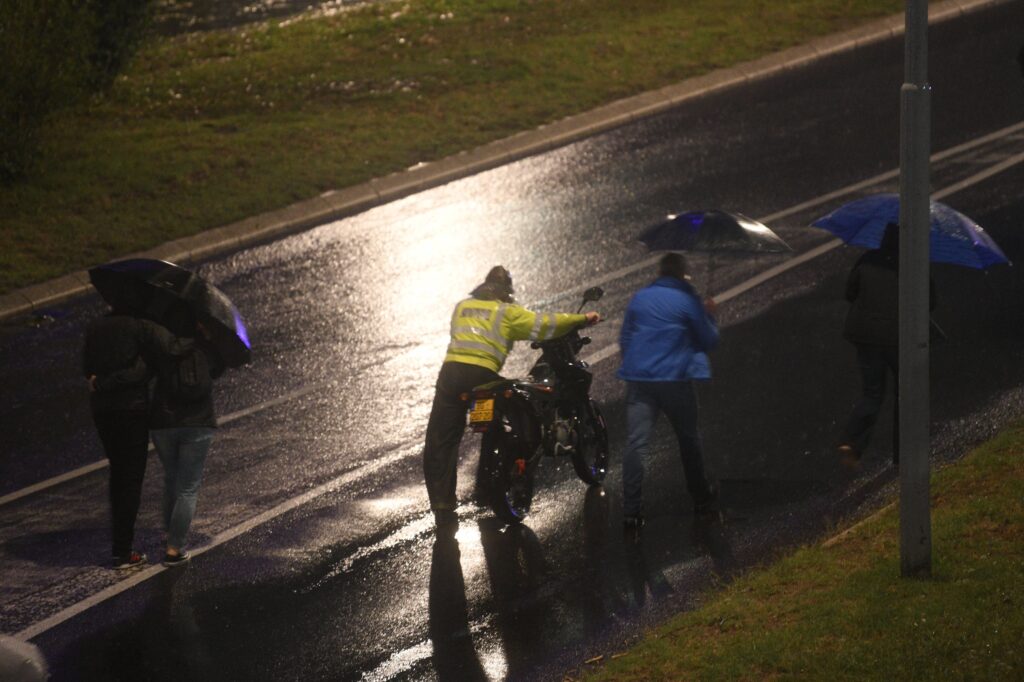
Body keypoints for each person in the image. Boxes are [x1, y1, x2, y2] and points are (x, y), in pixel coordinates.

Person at [422, 266, 601, 535]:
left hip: (451, 377)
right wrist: (582, 319)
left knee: (440, 441)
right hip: (483, 377)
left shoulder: (462, 307)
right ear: (506, 291)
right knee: (505, 420)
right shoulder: (506, 312)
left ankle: (443, 509)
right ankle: (489, 485)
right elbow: (545, 325)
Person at [617, 252, 719, 535]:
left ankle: (631, 511)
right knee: (688, 439)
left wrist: (639, 364)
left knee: (637, 443)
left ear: (661, 273)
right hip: (674, 380)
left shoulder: (640, 298)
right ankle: (701, 500)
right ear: (682, 274)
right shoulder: (688, 300)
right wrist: (710, 315)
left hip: (640, 381)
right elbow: (708, 340)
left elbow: (625, 339)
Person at [837, 222, 934, 471]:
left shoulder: (868, 259)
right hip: (896, 337)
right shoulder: (912, 264)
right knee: (906, 394)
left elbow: (850, 293)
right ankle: (903, 454)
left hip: (866, 335)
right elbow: (929, 301)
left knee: (872, 393)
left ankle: (852, 441)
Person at [83, 307, 168, 569]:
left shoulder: (94, 326)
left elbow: (87, 370)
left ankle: (120, 545)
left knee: (118, 472)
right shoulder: (140, 326)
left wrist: (100, 383)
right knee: (131, 478)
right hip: (131, 410)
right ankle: (122, 550)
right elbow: (142, 372)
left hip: (103, 411)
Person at [149, 315, 224, 567]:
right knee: (188, 487)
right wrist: (209, 338)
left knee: (171, 478)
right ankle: (174, 548)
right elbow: (218, 369)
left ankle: (169, 531)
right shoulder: (203, 345)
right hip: (197, 423)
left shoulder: (160, 344)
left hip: (163, 422)